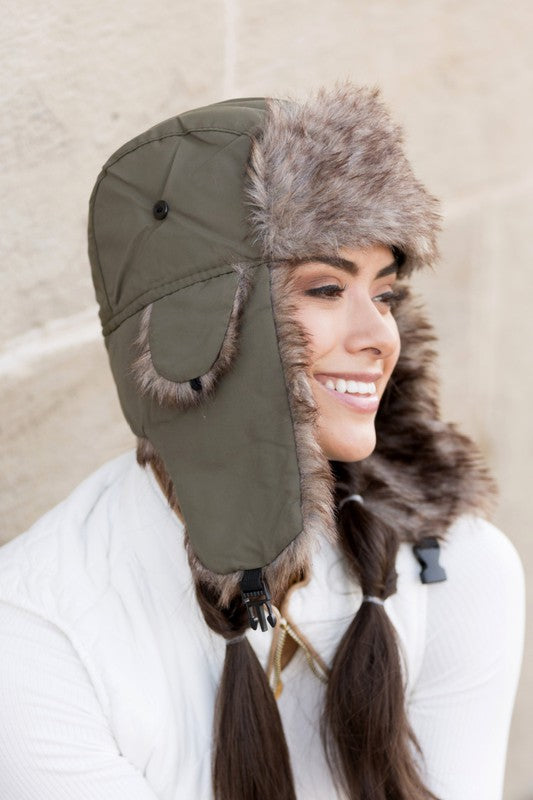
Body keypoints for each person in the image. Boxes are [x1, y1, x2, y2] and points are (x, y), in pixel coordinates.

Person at [0, 83, 525, 800]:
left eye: (385, 293)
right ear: (199, 332)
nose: (378, 337)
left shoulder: (454, 567)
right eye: (322, 289)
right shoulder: (34, 628)